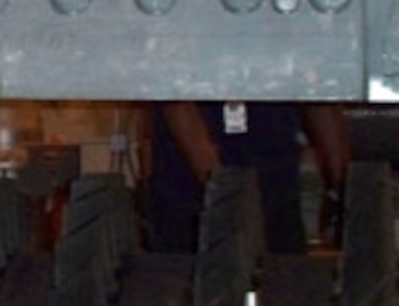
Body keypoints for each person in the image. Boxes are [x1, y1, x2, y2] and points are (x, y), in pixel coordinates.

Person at [146, 101, 351, 255]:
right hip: (193, 200)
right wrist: (222, 190)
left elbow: (318, 99)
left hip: (274, 189)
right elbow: (176, 101)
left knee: (282, 292)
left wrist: (341, 191)